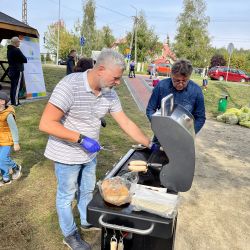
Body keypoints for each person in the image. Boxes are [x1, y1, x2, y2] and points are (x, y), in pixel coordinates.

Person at [39, 48, 155, 250]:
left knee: (87, 190)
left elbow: (126, 123)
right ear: (101, 69)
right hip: (66, 153)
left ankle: (86, 219)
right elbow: (47, 123)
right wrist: (81, 139)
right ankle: (70, 234)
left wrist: (149, 143)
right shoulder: (70, 85)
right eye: (116, 78)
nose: (119, 83)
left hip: (90, 154)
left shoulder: (109, 94)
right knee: (66, 196)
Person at [146, 59, 206, 136]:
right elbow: (150, 109)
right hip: (161, 135)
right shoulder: (161, 86)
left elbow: (200, 118)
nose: (180, 84)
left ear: (189, 77)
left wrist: (190, 134)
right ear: (171, 75)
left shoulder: (196, 91)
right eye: (177, 80)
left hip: (183, 137)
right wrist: (158, 125)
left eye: (184, 81)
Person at [0, 92, 22, 187]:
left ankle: (16, 167)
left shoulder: (8, 114)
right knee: (0, 160)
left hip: (7, 139)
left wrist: (16, 142)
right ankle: (5, 179)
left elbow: (14, 128)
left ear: (2, 101)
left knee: (3, 158)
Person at [7, 37, 27, 106]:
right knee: (17, 87)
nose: (19, 43)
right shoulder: (17, 50)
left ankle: (13, 101)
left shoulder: (9, 50)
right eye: (18, 42)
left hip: (11, 70)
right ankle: (16, 103)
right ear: (15, 43)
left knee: (13, 86)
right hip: (18, 70)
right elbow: (25, 59)